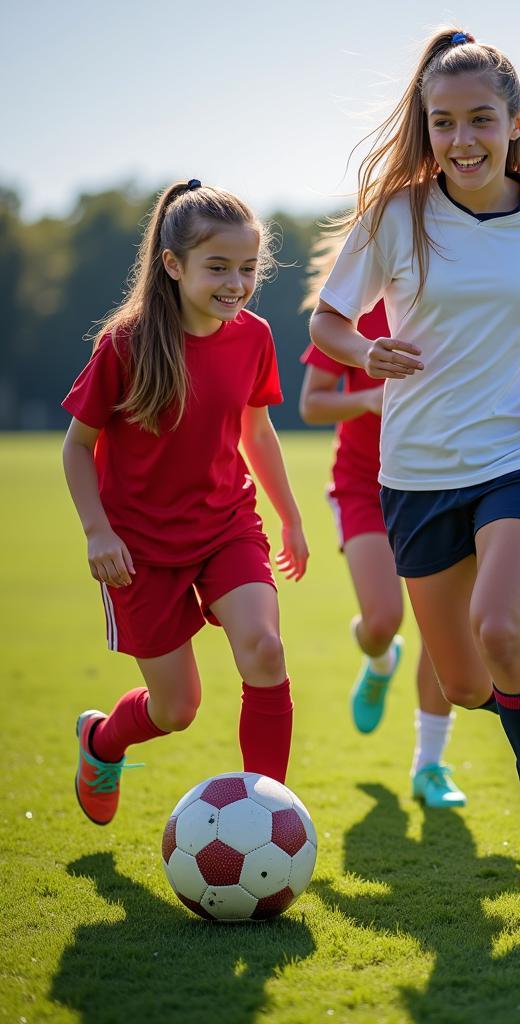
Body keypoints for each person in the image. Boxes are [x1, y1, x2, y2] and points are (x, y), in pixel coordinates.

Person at [308, 28, 520, 898]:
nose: (463, 139)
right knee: (472, 683)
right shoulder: (394, 216)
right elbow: (330, 322)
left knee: (502, 629)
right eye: (444, 123)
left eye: (482, 119)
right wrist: (364, 356)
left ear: (517, 122)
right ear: (426, 127)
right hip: (414, 473)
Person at [62, 179, 308, 827]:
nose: (236, 283)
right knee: (177, 710)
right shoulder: (126, 343)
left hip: (227, 527)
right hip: (139, 550)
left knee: (265, 649)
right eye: (219, 268)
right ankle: (101, 741)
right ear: (173, 266)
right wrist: (97, 533)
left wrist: (291, 517)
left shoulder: (253, 336)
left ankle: (268, 815)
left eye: (249, 268)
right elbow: (76, 447)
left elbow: (257, 430)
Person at [298, 298, 466, 808]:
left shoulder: (460, 300)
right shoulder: (352, 315)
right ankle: (379, 661)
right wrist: (368, 401)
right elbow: (312, 405)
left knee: (444, 632)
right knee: (382, 620)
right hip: (363, 487)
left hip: (441, 485)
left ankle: (430, 766)